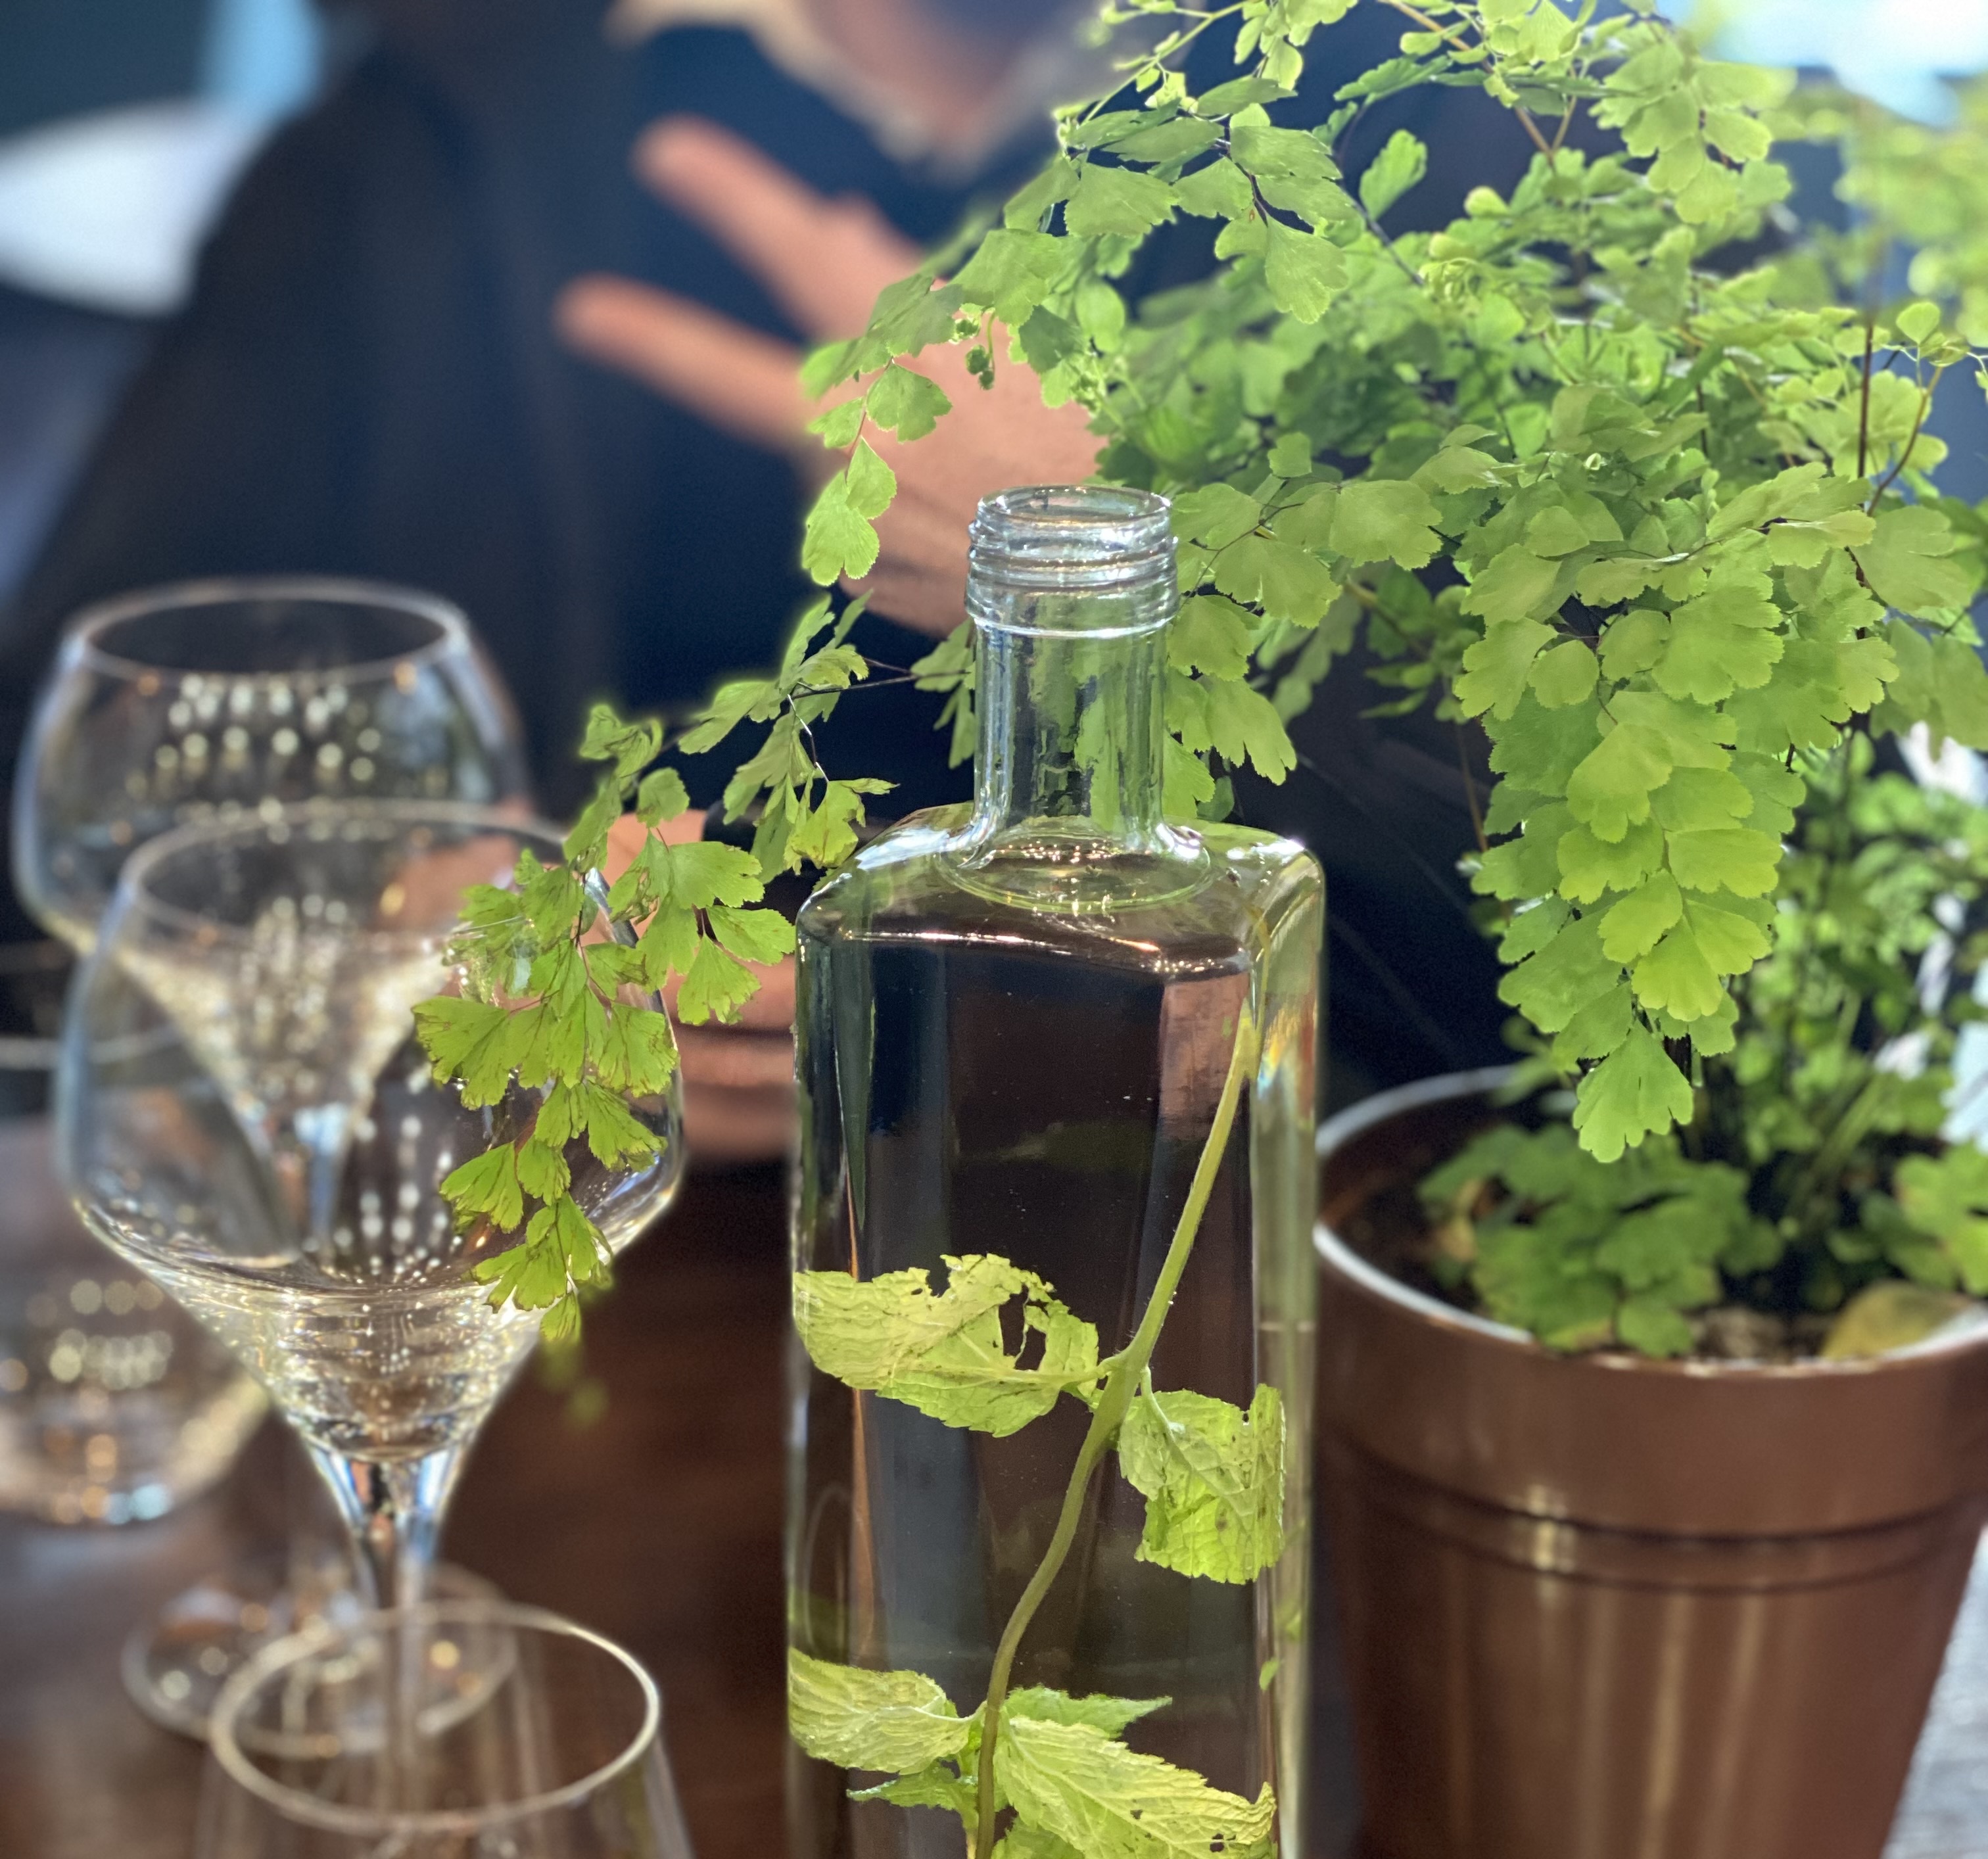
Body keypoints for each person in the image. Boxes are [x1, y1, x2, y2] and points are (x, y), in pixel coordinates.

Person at [0, 0, 1532, 1090]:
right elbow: (81, 795)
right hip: (578, 1312)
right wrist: (409, 930)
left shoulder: (1489, 131)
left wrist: (1101, 565)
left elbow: (1594, 967)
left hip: (1229, 1284)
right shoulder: (426, 139)